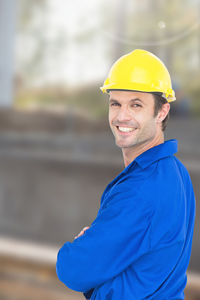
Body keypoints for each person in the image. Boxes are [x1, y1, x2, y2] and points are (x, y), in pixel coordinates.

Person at [56, 49, 196, 300]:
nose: (122, 116)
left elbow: (72, 269)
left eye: (136, 105)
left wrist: (84, 248)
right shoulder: (176, 171)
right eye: (115, 103)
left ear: (162, 111)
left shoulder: (139, 192)